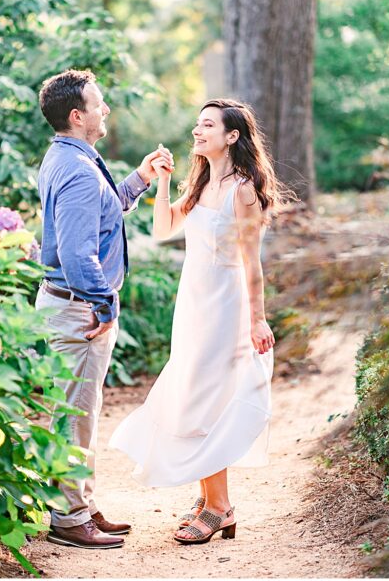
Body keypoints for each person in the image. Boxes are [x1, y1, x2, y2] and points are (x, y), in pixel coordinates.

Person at [109, 98, 286, 545]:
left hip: (226, 305)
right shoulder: (203, 181)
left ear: (232, 136)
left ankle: (220, 507)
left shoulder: (242, 190)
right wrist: (165, 182)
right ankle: (210, 500)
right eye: (197, 124)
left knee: (208, 400)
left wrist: (257, 321)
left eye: (208, 125)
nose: (197, 130)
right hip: (193, 303)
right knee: (192, 394)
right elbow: (163, 228)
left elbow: (252, 263)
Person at [35, 68, 172, 550]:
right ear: (78, 115)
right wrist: (105, 303)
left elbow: (101, 214)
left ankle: (81, 505)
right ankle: (69, 518)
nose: (105, 109)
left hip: (74, 308)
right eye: (98, 104)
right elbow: (76, 253)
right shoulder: (74, 167)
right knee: (74, 415)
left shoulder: (69, 157)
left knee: (81, 412)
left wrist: (139, 179)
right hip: (79, 312)